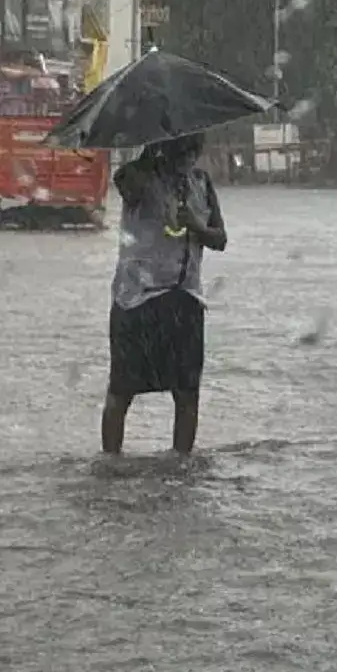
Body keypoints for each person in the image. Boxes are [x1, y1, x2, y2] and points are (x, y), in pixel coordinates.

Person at [102, 133, 226, 457]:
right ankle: (110, 463)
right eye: (181, 149)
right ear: (165, 147)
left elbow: (220, 238)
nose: (189, 156)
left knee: (187, 393)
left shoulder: (200, 182)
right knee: (121, 392)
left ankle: (180, 464)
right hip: (137, 299)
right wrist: (150, 149)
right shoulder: (136, 176)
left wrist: (198, 226)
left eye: (194, 149)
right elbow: (128, 189)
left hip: (184, 298)